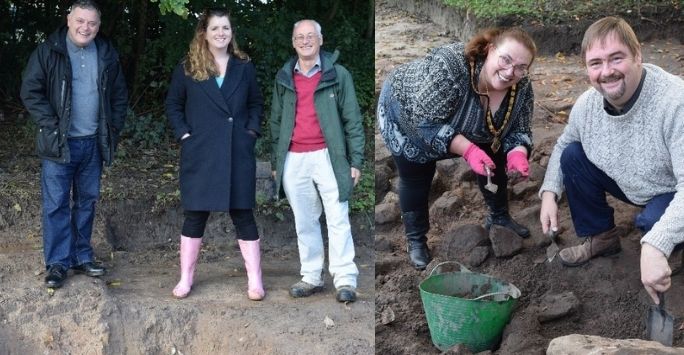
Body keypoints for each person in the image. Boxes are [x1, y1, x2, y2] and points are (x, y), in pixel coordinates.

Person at [538, 16, 684, 304]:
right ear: (587, 68)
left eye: (616, 59)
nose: (607, 72)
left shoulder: (675, 102)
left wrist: (656, 244)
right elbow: (564, 142)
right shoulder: (586, 105)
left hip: (669, 188)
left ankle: (670, 246)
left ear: (637, 55)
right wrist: (550, 192)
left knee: (654, 223)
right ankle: (601, 236)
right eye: (596, 63)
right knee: (572, 155)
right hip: (628, 179)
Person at [377, 28, 537, 270]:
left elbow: (519, 128)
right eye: (505, 59)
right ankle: (416, 240)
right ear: (490, 49)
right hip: (408, 114)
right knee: (416, 174)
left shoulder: (521, 87)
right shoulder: (450, 66)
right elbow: (426, 122)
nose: (510, 72)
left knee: (496, 151)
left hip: (475, 126)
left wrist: (517, 154)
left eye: (520, 67)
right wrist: (470, 151)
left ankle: (499, 217)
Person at [20, 0, 128, 288]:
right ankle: (57, 263)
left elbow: (118, 95)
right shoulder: (49, 51)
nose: (85, 27)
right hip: (59, 145)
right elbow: (30, 90)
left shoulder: (106, 52)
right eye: (80, 20)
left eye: (92, 22)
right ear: (69, 20)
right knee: (56, 204)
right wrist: (52, 125)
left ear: (98, 25)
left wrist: (112, 128)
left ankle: (81, 256)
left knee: (86, 202)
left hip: (93, 143)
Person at [165, 8, 265, 301]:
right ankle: (185, 278)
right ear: (204, 34)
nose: (221, 33)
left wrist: (251, 133)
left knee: (244, 214)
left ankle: (255, 281)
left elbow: (257, 103)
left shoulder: (244, 67)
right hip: (201, 152)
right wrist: (184, 134)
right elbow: (173, 105)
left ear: (232, 33)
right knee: (195, 215)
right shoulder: (187, 68)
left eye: (226, 28)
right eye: (215, 28)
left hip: (237, 151)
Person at [270, 19, 365, 303]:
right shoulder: (284, 77)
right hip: (294, 158)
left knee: (338, 217)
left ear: (321, 40)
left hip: (329, 156)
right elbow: (276, 122)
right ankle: (311, 275)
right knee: (304, 220)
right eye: (299, 36)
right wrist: (277, 162)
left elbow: (353, 120)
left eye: (311, 35)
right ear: (293, 42)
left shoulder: (338, 74)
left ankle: (345, 279)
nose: (305, 40)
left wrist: (356, 160)